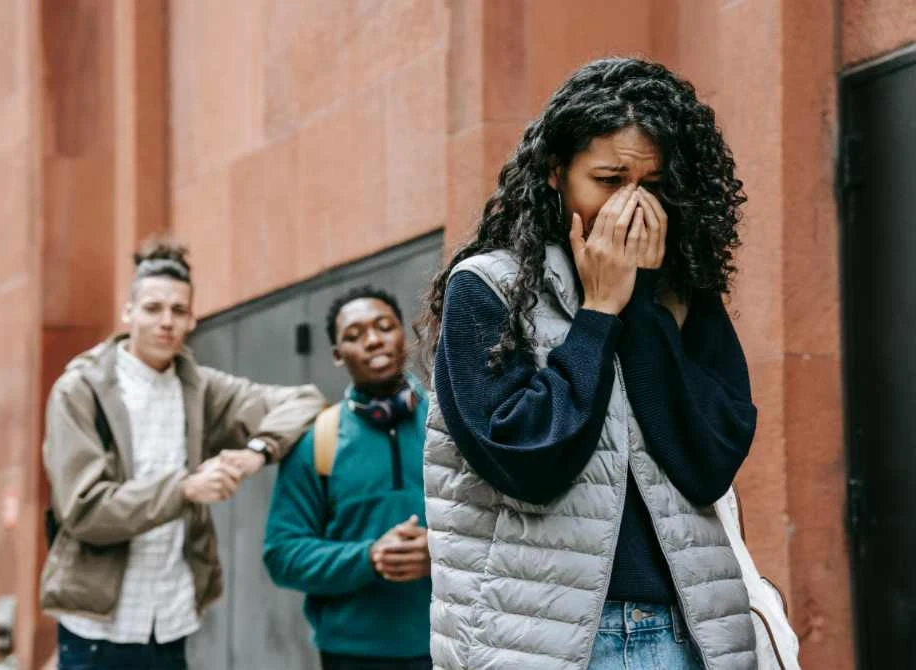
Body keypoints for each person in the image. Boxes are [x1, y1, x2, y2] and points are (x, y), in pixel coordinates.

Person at [419, 57, 758, 670]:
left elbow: (708, 463)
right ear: (556, 174)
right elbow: (527, 461)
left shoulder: (683, 294)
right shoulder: (490, 288)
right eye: (608, 179)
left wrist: (646, 308)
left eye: (652, 187)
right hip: (542, 641)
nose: (631, 206)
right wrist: (599, 313)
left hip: (685, 630)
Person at [40, 241, 325, 670]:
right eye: (153, 308)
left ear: (192, 319)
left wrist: (255, 452)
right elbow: (84, 511)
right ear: (128, 314)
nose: (166, 322)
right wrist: (186, 488)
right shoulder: (80, 391)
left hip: (171, 621)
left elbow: (305, 400)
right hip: (98, 629)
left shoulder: (199, 388)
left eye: (178, 311)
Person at [264, 286, 432, 670]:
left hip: (449, 642)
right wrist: (369, 557)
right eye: (354, 336)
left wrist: (440, 552)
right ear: (338, 355)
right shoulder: (317, 441)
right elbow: (282, 554)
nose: (373, 340)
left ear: (403, 334)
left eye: (383, 327)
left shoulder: (448, 425)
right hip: (352, 656)